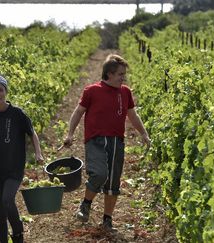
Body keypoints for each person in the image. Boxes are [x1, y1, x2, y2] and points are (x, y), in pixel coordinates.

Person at [62, 54, 151, 232]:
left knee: (113, 183)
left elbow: (132, 115)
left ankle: (107, 219)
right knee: (99, 174)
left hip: (117, 141)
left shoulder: (125, 92)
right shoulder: (92, 91)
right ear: (109, 74)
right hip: (95, 140)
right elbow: (78, 112)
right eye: (120, 74)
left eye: (124, 74)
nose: (123, 77)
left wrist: (144, 134)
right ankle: (86, 204)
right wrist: (70, 134)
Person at [0, 75, 44, 243]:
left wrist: (38, 153)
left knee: (7, 200)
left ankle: (18, 233)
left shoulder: (17, 113)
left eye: (0, 90)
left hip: (14, 167)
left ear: (6, 91)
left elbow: (32, 132)